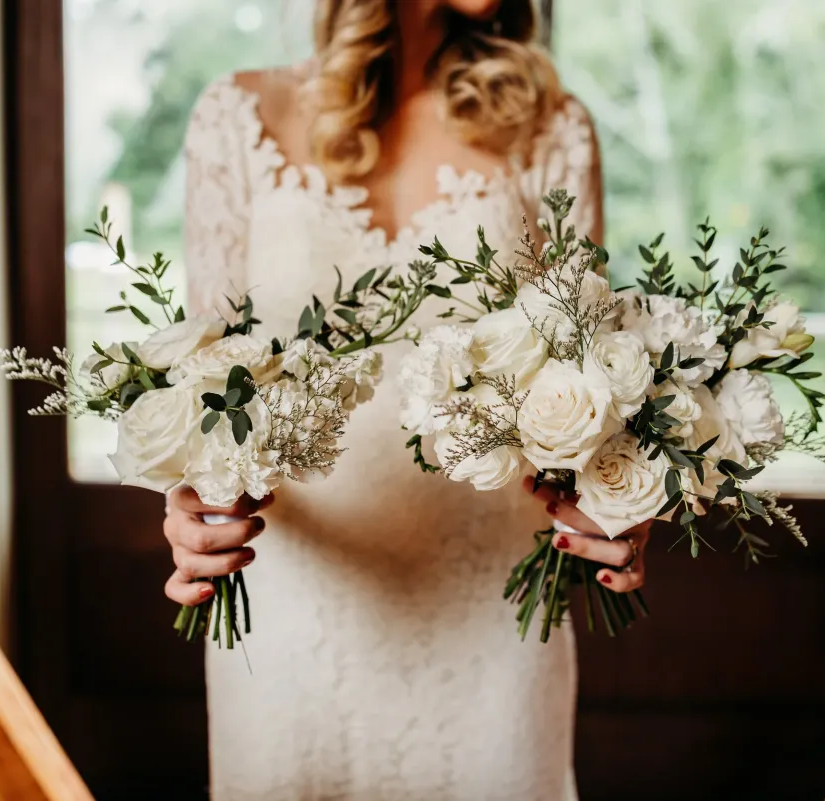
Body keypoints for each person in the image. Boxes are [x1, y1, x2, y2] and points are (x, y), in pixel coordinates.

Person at [164, 0, 650, 797]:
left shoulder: (551, 127)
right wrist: (188, 510)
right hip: (293, 617)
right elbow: (206, 394)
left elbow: (589, 385)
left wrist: (618, 506)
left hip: (494, 620)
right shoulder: (235, 117)